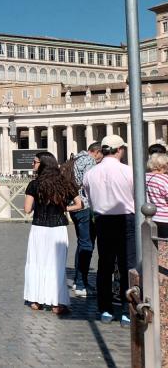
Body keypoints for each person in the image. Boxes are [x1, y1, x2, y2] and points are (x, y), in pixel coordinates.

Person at [83, 135, 135, 325]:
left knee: (105, 265)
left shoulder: (90, 174)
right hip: (126, 219)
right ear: (119, 149)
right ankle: (127, 310)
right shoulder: (128, 171)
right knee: (127, 265)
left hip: (102, 220)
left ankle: (105, 309)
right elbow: (137, 197)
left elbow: (89, 199)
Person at [23, 152, 81, 314]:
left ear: (43, 164)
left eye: (35, 162)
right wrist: (64, 208)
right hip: (58, 228)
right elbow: (79, 204)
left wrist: (38, 204)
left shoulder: (34, 184)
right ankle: (57, 303)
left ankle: (36, 300)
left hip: (39, 228)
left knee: (37, 263)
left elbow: (27, 209)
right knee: (57, 265)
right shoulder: (65, 183)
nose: (32, 165)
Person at [65, 142, 102, 297]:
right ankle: (81, 284)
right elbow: (90, 185)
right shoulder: (89, 161)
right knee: (87, 245)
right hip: (85, 206)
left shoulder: (74, 159)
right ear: (97, 152)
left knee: (82, 243)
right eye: (101, 155)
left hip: (74, 206)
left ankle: (78, 281)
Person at [146, 152, 168, 238]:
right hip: (165, 219)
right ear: (162, 165)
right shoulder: (164, 179)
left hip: (149, 218)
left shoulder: (143, 177)